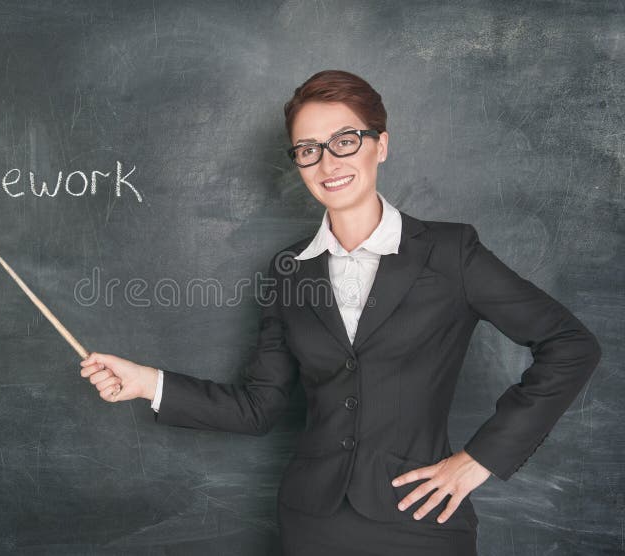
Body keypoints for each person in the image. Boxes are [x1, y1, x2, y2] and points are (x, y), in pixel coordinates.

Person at [78, 70, 602, 555]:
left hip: (420, 523)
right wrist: (147, 382)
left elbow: (570, 346)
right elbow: (258, 408)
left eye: (345, 141)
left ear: (381, 146)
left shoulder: (452, 252)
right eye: (308, 150)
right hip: (312, 523)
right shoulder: (288, 272)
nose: (329, 163)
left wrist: (480, 460)